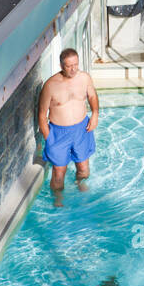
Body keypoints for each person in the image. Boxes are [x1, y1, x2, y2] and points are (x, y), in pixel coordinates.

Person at [38, 48, 99, 191]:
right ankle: (58, 201)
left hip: (81, 129)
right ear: (61, 66)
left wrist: (95, 113)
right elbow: (41, 114)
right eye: (69, 66)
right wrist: (49, 138)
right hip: (59, 133)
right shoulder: (50, 85)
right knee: (59, 174)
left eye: (76, 65)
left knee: (84, 168)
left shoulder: (84, 78)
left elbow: (92, 96)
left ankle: (80, 186)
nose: (73, 69)